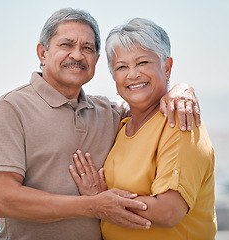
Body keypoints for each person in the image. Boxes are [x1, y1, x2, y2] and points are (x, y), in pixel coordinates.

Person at [0, 8, 201, 240]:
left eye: (87, 48)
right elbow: (4, 200)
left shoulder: (110, 113)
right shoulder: (11, 109)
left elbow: (147, 98)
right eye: (66, 45)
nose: (77, 55)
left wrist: (180, 89)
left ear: (96, 61)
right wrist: (92, 205)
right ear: (42, 53)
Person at [70, 18, 216, 239]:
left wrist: (100, 200)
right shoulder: (121, 127)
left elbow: (168, 211)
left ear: (167, 68)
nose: (133, 74)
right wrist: (101, 200)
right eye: (121, 67)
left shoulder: (179, 123)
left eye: (143, 63)